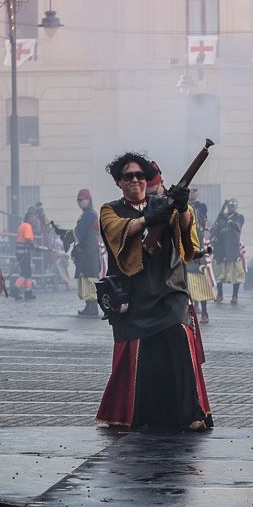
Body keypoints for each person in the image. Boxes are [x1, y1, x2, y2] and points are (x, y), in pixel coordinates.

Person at [94, 152, 212, 431]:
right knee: (142, 356)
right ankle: (142, 415)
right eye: (128, 176)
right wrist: (147, 219)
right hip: (133, 294)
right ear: (119, 182)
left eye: (139, 175)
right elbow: (118, 231)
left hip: (169, 289)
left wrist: (181, 206)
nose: (135, 180)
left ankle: (190, 414)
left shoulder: (164, 204)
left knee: (179, 343)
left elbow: (185, 231)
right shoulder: (110, 210)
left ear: (147, 179)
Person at [72, 189, 102, 316]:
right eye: (78, 200)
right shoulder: (86, 214)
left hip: (90, 251)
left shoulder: (90, 214)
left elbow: (80, 232)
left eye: (82, 199)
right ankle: (88, 305)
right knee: (84, 277)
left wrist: (68, 235)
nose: (80, 202)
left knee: (90, 277)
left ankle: (92, 307)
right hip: (85, 251)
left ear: (89, 200)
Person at [186, 201, 216, 323]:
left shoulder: (197, 231)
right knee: (187, 292)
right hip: (186, 262)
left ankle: (204, 312)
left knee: (202, 290)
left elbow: (200, 247)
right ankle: (189, 314)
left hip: (197, 261)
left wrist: (202, 262)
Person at [212, 198, 247, 305]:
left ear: (236, 207)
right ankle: (220, 294)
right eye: (230, 206)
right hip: (220, 247)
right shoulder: (221, 216)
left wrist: (231, 222)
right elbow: (215, 228)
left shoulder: (239, 217)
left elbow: (238, 227)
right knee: (219, 272)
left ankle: (235, 295)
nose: (231, 208)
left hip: (232, 248)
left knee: (236, 274)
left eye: (233, 206)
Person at [14, 207, 37, 300]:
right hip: (24, 252)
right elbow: (28, 238)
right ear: (28, 218)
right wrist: (34, 246)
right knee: (25, 272)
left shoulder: (22, 225)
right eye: (32, 217)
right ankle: (15, 290)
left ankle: (28, 292)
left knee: (28, 273)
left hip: (21, 252)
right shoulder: (27, 226)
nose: (34, 220)